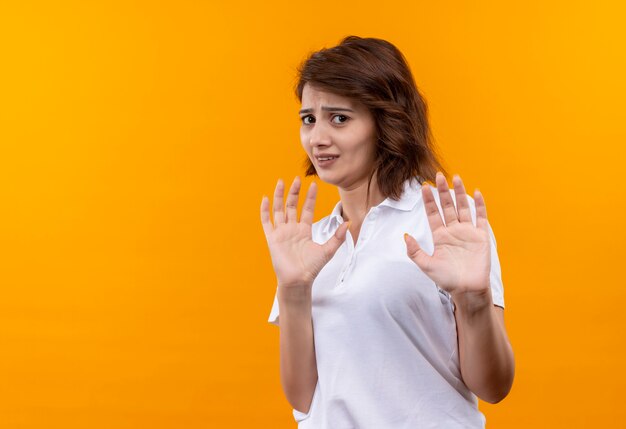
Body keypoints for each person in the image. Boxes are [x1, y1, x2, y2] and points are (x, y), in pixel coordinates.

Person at [259, 35, 515, 428]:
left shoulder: (444, 227)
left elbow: (493, 387)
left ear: (386, 121)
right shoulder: (312, 243)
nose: (317, 138)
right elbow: (303, 397)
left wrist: (474, 299)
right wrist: (293, 290)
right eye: (308, 118)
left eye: (339, 118)